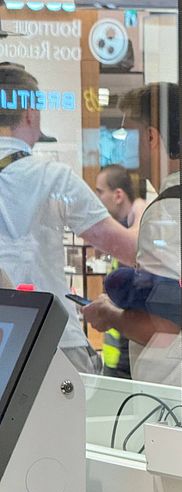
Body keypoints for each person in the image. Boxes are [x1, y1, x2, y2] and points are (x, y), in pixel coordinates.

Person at [84, 82, 182, 387]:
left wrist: (111, 315)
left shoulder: (167, 212)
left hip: (174, 389)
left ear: (151, 138)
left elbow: (162, 325)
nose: (120, 145)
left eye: (127, 134)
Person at [0, 64, 138, 374]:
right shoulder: (52, 177)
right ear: (30, 115)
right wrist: (143, 212)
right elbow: (128, 249)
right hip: (52, 342)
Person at [95, 164, 146, 379]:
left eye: (100, 192)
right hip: (118, 359)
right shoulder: (125, 231)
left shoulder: (139, 239)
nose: (97, 200)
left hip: (128, 361)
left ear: (118, 195)